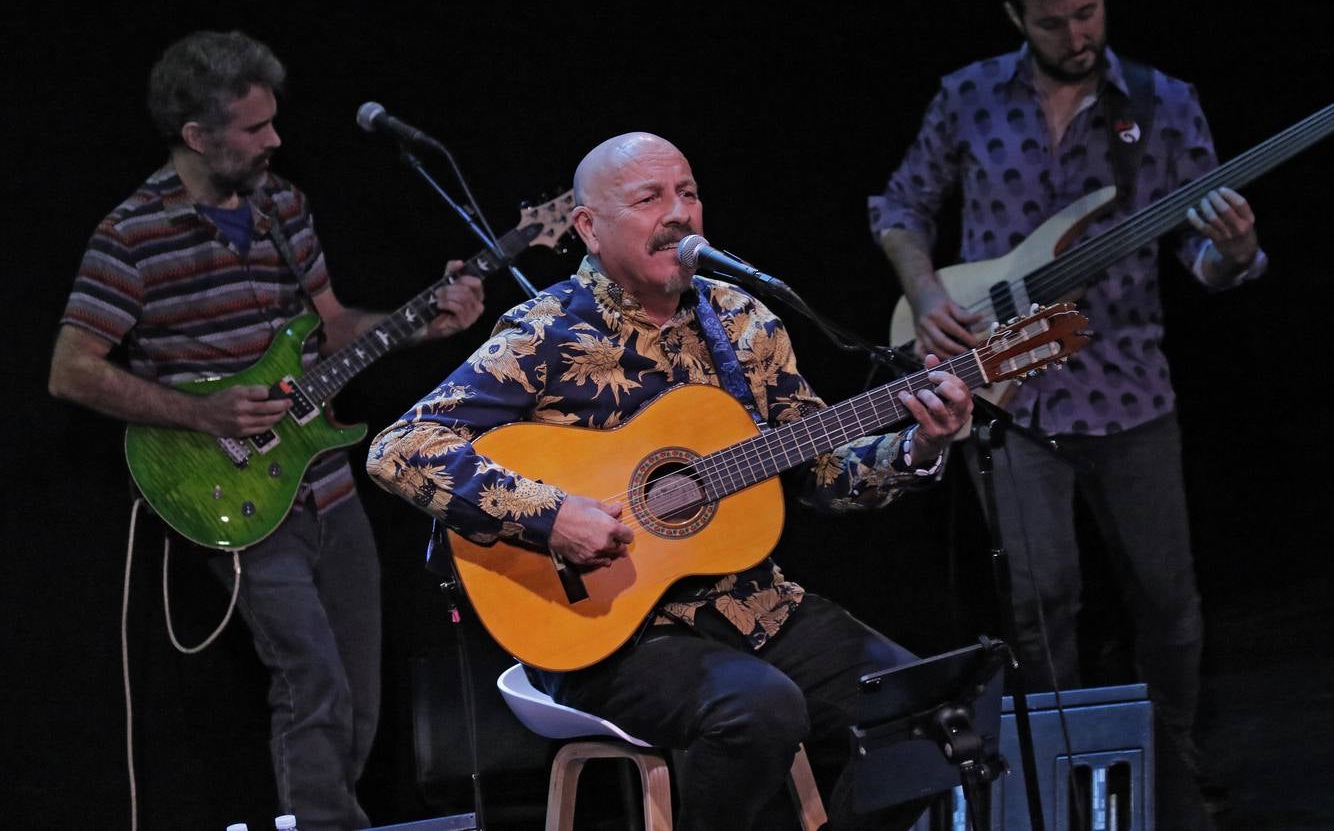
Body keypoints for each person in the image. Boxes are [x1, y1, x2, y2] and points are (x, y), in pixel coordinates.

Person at [366, 131, 975, 829]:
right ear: (589, 228)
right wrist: (552, 513)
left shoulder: (746, 322)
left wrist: (921, 445)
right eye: (650, 197)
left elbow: (823, 473)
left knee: (928, 710)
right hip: (610, 633)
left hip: (753, 606)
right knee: (759, 710)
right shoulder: (545, 332)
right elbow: (401, 447)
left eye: (687, 193)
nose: (678, 212)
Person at [867, 0, 1266, 825]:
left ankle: (1169, 766)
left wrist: (1232, 253)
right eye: (1053, 21)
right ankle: (1068, 773)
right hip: (1006, 396)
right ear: (1017, 16)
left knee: (1168, 599)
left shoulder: (1162, 106)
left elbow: (1202, 256)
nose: (1076, 33)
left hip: (1127, 391)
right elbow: (898, 206)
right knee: (1040, 599)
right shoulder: (967, 96)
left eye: (1087, 12)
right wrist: (926, 290)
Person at [47, 29, 486, 830]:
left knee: (355, 688)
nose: (275, 139)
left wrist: (424, 321)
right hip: (231, 487)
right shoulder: (131, 235)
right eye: (254, 128)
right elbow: (71, 370)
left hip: (323, 480)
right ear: (197, 136)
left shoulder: (283, 204)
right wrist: (199, 411)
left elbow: (332, 328)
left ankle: (312, 819)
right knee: (311, 677)